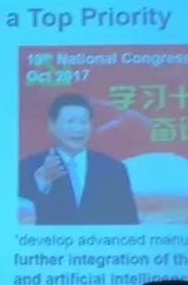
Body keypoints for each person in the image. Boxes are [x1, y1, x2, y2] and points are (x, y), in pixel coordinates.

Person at [19, 93, 139, 225]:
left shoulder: (113, 169)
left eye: (83, 122)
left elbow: (129, 222)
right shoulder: (28, 167)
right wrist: (43, 182)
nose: (78, 129)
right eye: (70, 122)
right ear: (52, 126)